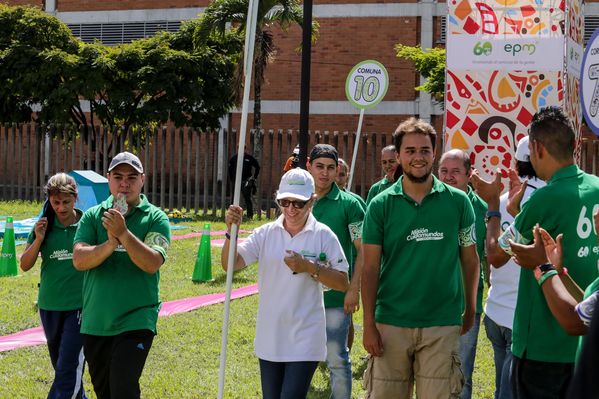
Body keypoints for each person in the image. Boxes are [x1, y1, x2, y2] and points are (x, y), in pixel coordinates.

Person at [471, 106, 599, 399]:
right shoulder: (597, 188)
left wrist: (493, 207)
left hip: (543, 345)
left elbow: (497, 256)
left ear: (537, 148)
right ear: (575, 145)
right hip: (586, 342)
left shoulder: (542, 199)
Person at [361, 117, 480, 398]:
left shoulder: (459, 202)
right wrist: (368, 325)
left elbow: (470, 259)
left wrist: (471, 307)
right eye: (410, 151)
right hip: (391, 323)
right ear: (399, 155)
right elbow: (369, 268)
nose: (418, 157)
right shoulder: (380, 205)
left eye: (424, 150)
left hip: (441, 323)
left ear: (434, 153)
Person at [222, 167, 350, 399]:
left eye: (298, 203)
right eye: (285, 202)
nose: (290, 209)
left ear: (312, 201)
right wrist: (231, 231)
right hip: (270, 335)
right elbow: (231, 265)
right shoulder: (266, 233)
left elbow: (343, 282)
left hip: (306, 337)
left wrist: (309, 267)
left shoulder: (323, 235)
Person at [72, 151, 171, 399]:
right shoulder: (93, 216)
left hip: (137, 320)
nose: (124, 183)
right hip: (96, 322)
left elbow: (152, 263)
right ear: (108, 179)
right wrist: (109, 244)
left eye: (131, 177)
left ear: (143, 180)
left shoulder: (156, 217)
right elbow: (79, 260)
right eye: (118, 176)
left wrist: (124, 235)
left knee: (123, 387)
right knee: (105, 392)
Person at [482, 136, 544, 399]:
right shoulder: (548, 201)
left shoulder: (504, 199)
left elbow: (492, 254)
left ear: (515, 166)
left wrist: (495, 207)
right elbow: (497, 256)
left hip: (495, 311)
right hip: (525, 320)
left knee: (502, 390)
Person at [20, 173, 88, 399]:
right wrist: (38, 239)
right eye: (55, 202)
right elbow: (24, 264)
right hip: (49, 306)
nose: (61, 207)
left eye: (66, 202)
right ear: (49, 199)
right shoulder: (44, 225)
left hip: (80, 307)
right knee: (63, 368)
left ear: (75, 198)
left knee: (68, 369)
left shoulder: (87, 222)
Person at [307, 144, 366, 399]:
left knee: (337, 359)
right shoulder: (296, 201)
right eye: (319, 166)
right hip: (300, 295)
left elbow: (363, 250)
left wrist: (354, 289)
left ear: (338, 170)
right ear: (309, 166)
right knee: (300, 357)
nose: (325, 173)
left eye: (331, 168)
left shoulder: (350, 205)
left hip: (334, 297)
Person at [438, 149, 487, 399]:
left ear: (469, 174)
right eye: (443, 171)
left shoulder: (483, 210)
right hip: (433, 305)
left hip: (467, 305)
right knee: (432, 373)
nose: (448, 177)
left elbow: (486, 259)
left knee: (462, 373)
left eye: (455, 172)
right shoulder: (430, 206)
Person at [229, 147, 261, 219]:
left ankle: (250, 216)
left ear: (245, 149)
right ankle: (232, 215)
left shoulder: (249, 158)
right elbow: (230, 168)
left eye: (243, 149)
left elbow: (257, 167)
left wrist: (254, 177)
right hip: (236, 181)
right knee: (234, 199)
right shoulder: (234, 158)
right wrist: (232, 178)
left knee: (247, 199)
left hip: (246, 181)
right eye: (239, 148)